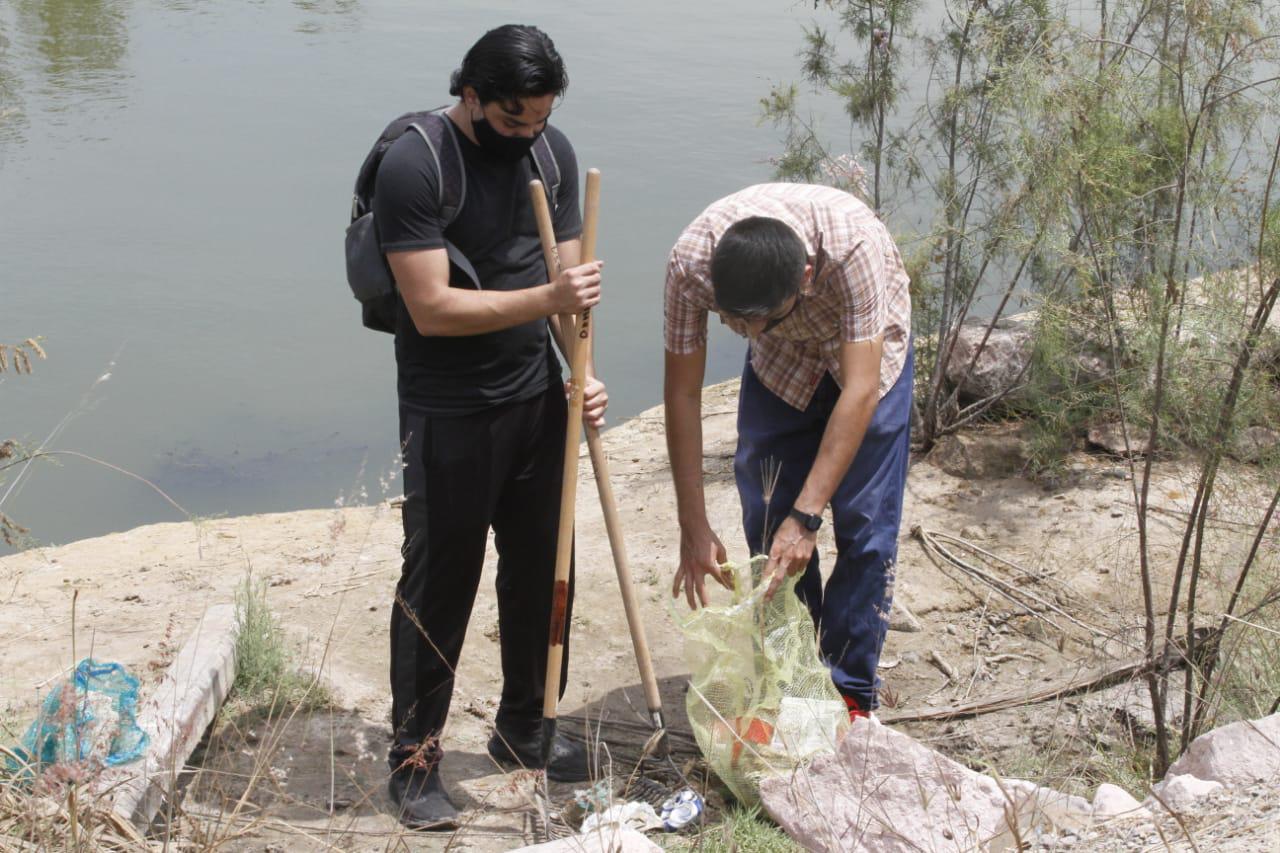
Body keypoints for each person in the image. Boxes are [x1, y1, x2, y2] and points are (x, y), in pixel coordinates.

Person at [373, 24, 606, 830]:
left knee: (545, 569)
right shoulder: (417, 163)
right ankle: (413, 758)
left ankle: (525, 724)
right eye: (513, 121)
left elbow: (564, 279)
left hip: (538, 398)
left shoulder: (552, 154)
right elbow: (431, 309)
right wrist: (550, 303)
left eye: (539, 119)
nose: (527, 135)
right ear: (471, 96)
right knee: (441, 584)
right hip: (449, 410)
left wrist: (585, 369)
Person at [663, 182, 912, 722]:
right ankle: (794, 681)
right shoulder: (689, 267)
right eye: (736, 323)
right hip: (781, 370)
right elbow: (682, 392)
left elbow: (860, 388)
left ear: (802, 277)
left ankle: (848, 696)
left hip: (868, 359)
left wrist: (808, 516)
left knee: (865, 528)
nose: (749, 331)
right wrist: (693, 525)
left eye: (762, 320)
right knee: (768, 519)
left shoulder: (854, 248)